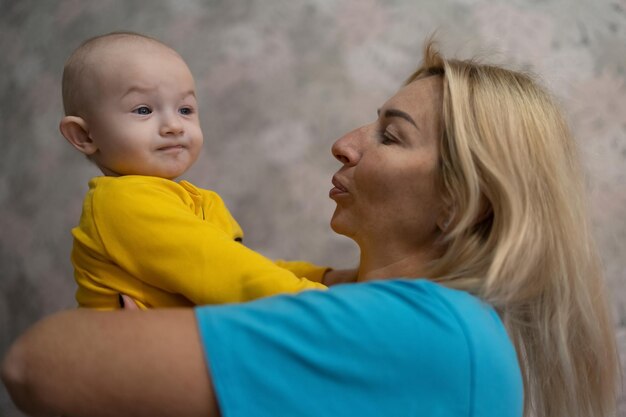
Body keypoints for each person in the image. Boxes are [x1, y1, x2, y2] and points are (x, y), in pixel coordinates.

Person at [2, 40, 619, 417]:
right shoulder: (444, 324)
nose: (344, 143)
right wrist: (327, 281)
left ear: (459, 202)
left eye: (390, 135)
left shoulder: (421, 325)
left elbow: (33, 365)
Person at [58, 31, 344, 309]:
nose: (174, 125)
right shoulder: (121, 202)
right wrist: (328, 304)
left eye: (185, 109)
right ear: (85, 136)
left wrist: (330, 280)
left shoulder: (184, 198)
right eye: (143, 110)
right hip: (129, 355)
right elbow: (231, 274)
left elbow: (244, 264)